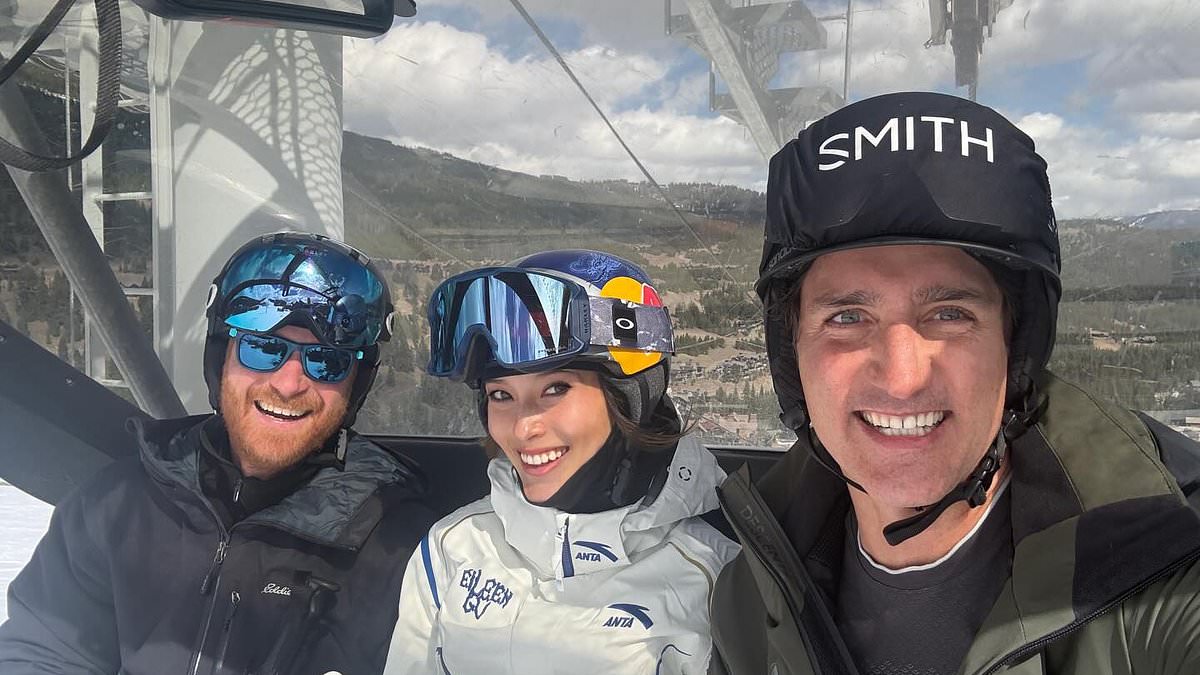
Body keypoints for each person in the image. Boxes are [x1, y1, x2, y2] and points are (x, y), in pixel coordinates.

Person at [709, 92, 1200, 675]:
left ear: (1013, 347)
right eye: (846, 318)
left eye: (949, 314)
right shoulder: (752, 591)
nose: (902, 376)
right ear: (793, 354)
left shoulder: (1166, 565)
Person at [0, 231, 437, 674]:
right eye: (263, 349)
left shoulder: (401, 550)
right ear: (220, 360)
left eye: (326, 361)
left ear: (354, 387)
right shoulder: (120, 507)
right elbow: (47, 653)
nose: (289, 384)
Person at [383, 249, 739, 674]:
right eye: (501, 395)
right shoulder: (453, 547)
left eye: (555, 389)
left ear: (628, 397)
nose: (522, 428)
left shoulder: (715, 574)